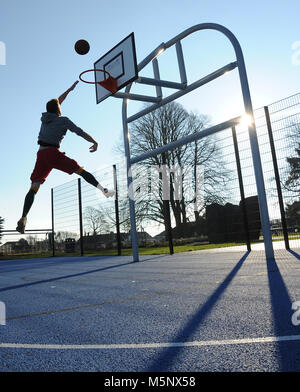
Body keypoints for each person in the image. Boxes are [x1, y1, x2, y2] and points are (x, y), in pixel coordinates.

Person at [16, 81, 115, 234]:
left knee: (34, 187)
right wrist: (94, 141)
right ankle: (104, 190)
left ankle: (23, 217)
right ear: (58, 109)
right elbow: (80, 132)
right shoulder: (63, 120)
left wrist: (69, 90)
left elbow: (57, 101)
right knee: (80, 171)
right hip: (53, 154)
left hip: (41, 154)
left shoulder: (45, 118)